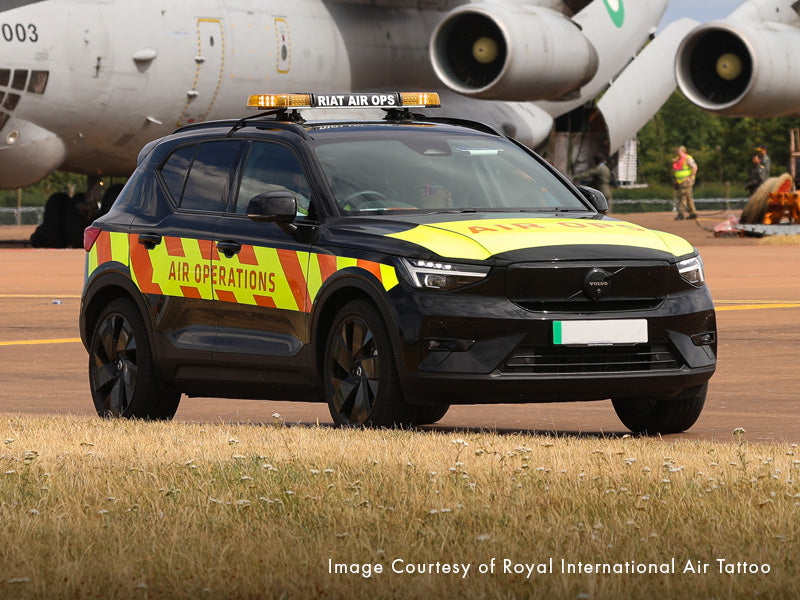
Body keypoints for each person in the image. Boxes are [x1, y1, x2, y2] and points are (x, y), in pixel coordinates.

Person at [672, 146, 698, 220]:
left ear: (683, 151)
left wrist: (691, 177)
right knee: (688, 196)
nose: (677, 153)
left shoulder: (688, 159)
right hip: (680, 181)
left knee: (682, 196)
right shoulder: (678, 159)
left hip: (686, 181)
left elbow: (695, 167)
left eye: (679, 151)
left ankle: (681, 214)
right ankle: (693, 213)